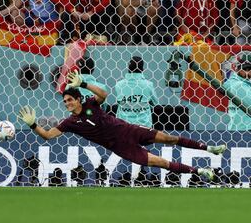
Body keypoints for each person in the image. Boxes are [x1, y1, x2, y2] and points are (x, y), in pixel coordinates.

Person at [19, 70, 227, 181]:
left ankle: (210, 149)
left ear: (78, 99)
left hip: (129, 129)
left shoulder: (90, 104)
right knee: (161, 162)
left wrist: (83, 84)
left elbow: (104, 94)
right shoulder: (70, 123)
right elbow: (47, 135)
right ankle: (201, 172)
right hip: (121, 146)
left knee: (170, 138)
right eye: (64, 102)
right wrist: (33, 125)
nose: (67, 104)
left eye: (70, 100)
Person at [115, 56, 157, 127]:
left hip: (123, 126)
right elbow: (155, 103)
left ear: (128, 68)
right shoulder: (148, 85)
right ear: (142, 69)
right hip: (144, 126)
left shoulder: (119, 85)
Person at [223, 51, 251, 131]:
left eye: (250, 69)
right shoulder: (237, 85)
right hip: (241, 130)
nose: (247, 72)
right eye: (244, 69)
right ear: (237, 68)